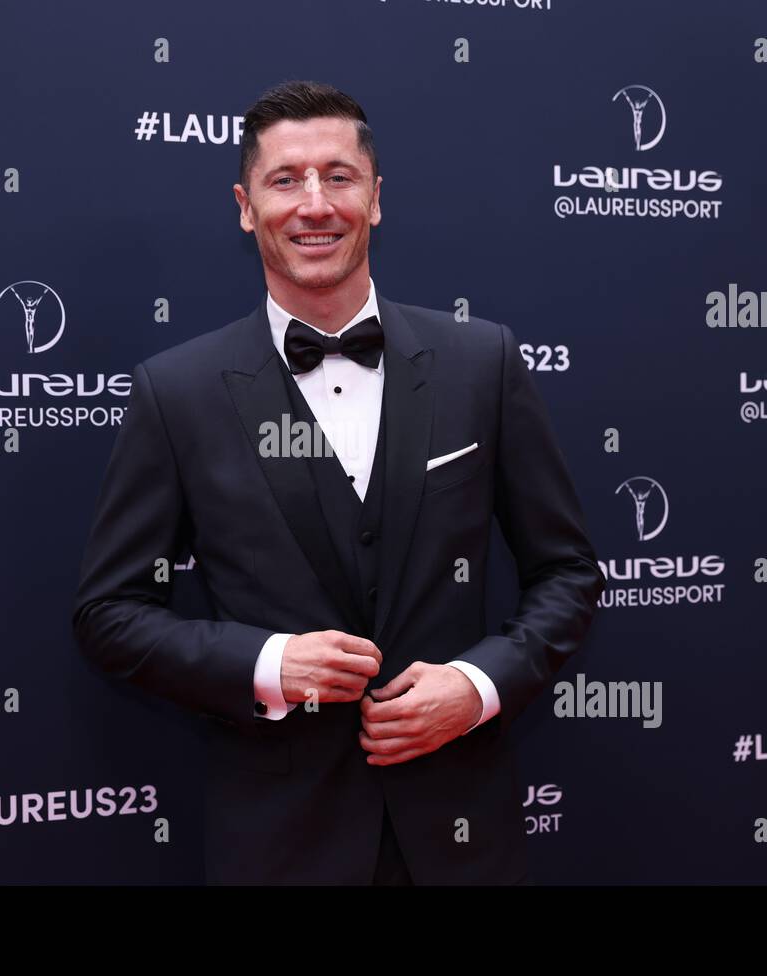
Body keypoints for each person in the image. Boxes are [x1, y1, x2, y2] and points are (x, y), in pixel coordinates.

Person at [72, 80, 604, 884]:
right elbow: (109, 615)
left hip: (464, 839)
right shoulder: (175, 392)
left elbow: (566, 572)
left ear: (376, 198)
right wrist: (266, 663)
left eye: (339, 176)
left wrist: (477, 684)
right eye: (286, 180)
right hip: (280, 848)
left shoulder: (481, 363)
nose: (314, 204)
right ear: (246, 207)